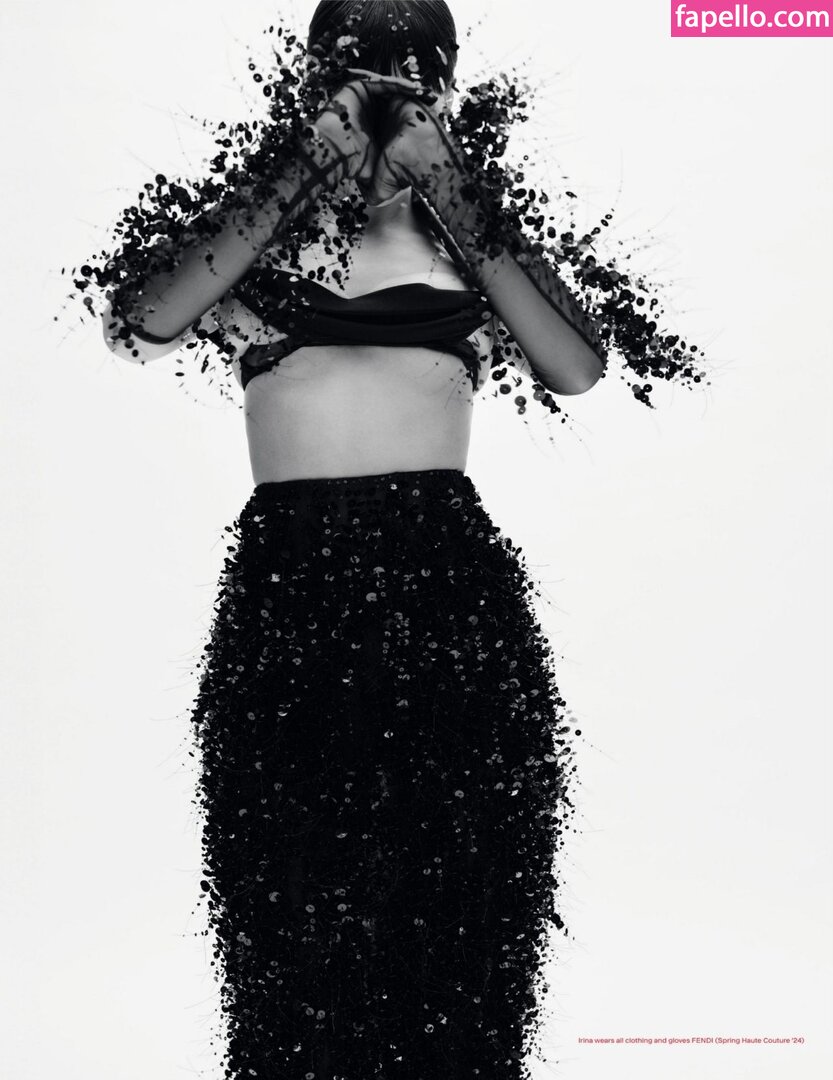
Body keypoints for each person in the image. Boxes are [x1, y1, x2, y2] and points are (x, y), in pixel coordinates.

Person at [99, 3, 610, 1078]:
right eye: (354, 68)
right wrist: (305, 163)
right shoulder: (250, 226)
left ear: (446, 85)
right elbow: (142, 321)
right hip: (290, 595)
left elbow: (575, 366)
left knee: (457, 925)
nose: (381, 87)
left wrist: (448, 180)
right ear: (308, 80)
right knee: (291, 923)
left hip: (447, 599)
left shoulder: (473, 233)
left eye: (408, 71)